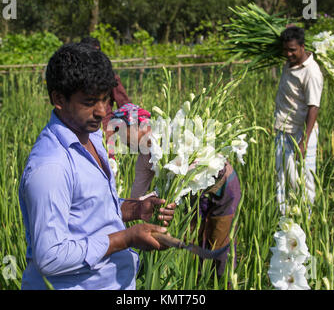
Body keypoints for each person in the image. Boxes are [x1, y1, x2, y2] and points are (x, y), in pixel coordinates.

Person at [18, 42, 176, 290]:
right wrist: (127, 238)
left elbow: (90, 210)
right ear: (59, 99)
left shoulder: (90, 136)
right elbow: (50, 257)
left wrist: (136, 209)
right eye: (90, 101)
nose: (102, 111)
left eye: (105, 99)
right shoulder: (50, 167)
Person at [108, 103, 241, 278]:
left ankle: (223, 281)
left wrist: (158, 196)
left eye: (125, 136)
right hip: (194, 190)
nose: (125, 144)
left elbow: (184, 175)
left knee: (219, 238)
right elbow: (137, 196)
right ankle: (200, 282)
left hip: (222, 184)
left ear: (139, 126)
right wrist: (121, 214)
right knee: (194, 237)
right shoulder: (144, 157)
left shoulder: (170, 135)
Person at [274, 26, 323, 214]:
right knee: (282, 177)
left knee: (303, 179)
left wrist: (305, 140)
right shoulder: (289, 62)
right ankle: (283, 219)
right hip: (282, 129)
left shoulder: (311, 72)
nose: (288, 54)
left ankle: (305, 220)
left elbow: (314, 107)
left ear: (302, 47)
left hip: (301, 133)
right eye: (285, 49)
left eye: (293, 50)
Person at [80, 37, 132, 143]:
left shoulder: (110, 77)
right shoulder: (76, 79)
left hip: (105, 131)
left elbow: (125, 105)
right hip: (81, 130)